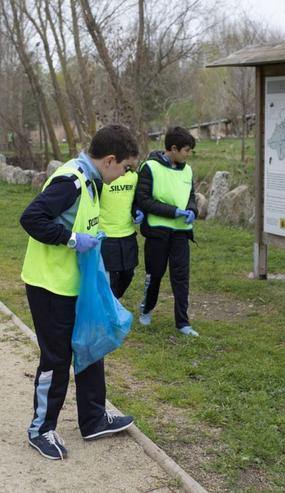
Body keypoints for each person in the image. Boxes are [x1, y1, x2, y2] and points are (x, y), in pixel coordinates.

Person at [19, 124, 138, 460]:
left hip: (75, 284)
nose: (125, 175)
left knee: (90, 345)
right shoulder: (70, 181)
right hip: (49, 286)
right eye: (126, 168)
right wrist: (72, 240)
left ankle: (93, 418)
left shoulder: (92, 180)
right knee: (56, 359)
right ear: (111, 160)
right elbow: (31, 218)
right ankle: (41, 430)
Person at [136, 126, 199, 337]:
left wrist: (192, 210)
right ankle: (146, 310)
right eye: (186, 150)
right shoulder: (149, 167)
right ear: (173, 148)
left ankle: (183, 322)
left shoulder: (187, 170)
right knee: (155, 275)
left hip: (181, 233)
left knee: (181, 278)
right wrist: (174, 212)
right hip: (157, 233)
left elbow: (191, 195)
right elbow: (143, 200)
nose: (188, 154)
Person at [99, 165, 144, 298]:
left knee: (129, 272)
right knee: (111, 277)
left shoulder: (134, 177)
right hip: (105, 235)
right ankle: (110, 310)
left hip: (127, 234)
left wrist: (137, 211)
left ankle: (114, 302)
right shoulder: (100, 177)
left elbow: (136, 201)